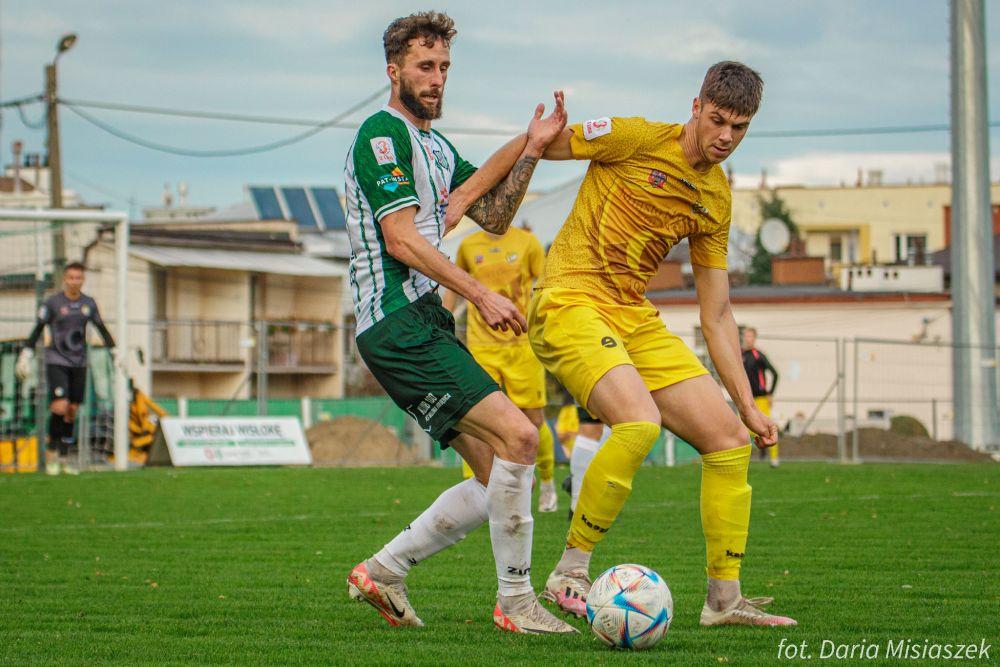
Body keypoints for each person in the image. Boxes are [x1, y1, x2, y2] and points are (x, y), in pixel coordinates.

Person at [528, 61, 796, 627]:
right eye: (719, 120)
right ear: (696, 107)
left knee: (728, 440)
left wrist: (747, 404)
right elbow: (538, 145)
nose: (726, 137)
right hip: (568, 299)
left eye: (740, 127)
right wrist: (466, 199)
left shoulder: (715, 199)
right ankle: (570, 571)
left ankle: (724, 601)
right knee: (639, 422)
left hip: (632, 315)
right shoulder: (635, 138)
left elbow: (717, 313)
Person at [343, 11, 574, 635]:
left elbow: (496, 213)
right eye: (424, 66)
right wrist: (483, 295)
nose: (437, 78)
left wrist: (528, 147)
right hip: (396, 322)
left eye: (444, 67)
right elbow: (400, 239)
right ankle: (517, 602)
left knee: (493, 471)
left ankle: (385, 570)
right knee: (522, 439)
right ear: (393, 72)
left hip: (421, 324)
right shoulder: (380, 137)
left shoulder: (436, 147)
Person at [446, 225, 558, 513]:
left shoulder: (528, 242)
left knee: (533, 420)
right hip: (481, 346)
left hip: (521, 345)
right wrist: (444, 321)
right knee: (474, 419)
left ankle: (547, 482)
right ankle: (478, 495)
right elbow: (453, 286)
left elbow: (545, 286)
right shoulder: (468, 246)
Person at [15, 262, 116, 475]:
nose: (74, 282)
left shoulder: (89, 304)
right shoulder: (53, 303)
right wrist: (26, 353)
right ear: (64, 279)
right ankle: (51, 453)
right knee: (60, 406)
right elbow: (37, 329)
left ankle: (64, 455)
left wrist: (114, 351)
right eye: (71, 278)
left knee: (72, 411)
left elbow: (102, 328)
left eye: (78, 278)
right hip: (56, 361)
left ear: (83, 280)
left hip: (79, 363)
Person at [742, 327, 780, 467]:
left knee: (768, 429)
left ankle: (774, 460)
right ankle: (743, 460)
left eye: (750, 336)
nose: (748, 338)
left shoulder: (759, 355)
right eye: (746, 336)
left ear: (754, 338)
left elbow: (775, 374)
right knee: (742, 430)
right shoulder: (740, 355)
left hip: (761, 399)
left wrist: (770, 393)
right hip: (746, 398)